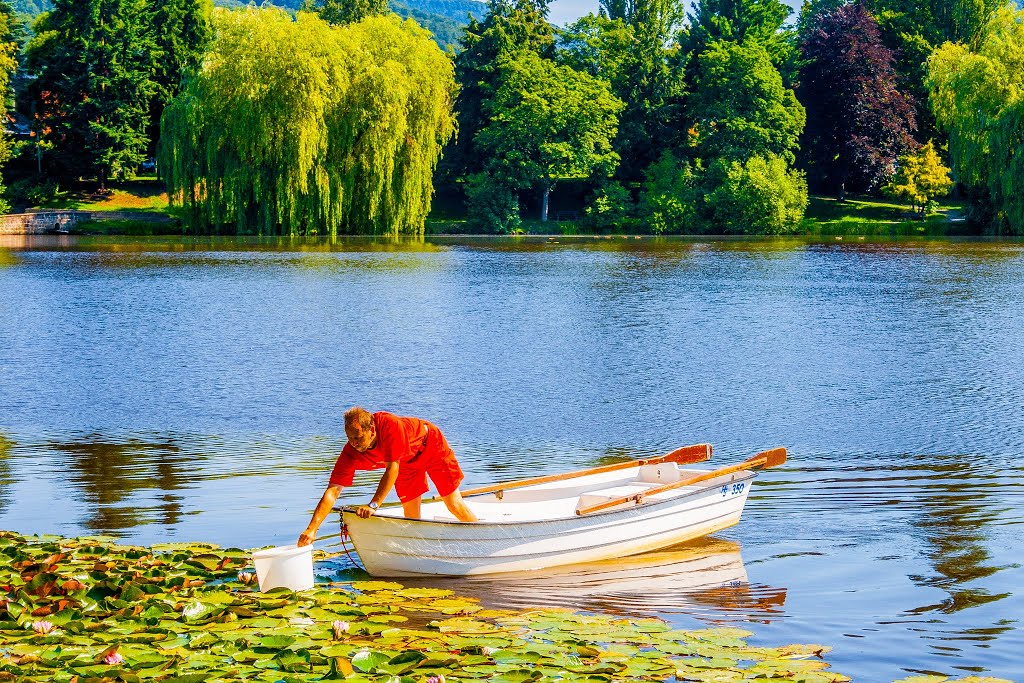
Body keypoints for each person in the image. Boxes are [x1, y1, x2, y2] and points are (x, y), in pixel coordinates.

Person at [297, 407, 477, 546]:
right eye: (349, 438)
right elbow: (332, 491)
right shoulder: (350, 452)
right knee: (411, 517)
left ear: (372, 431)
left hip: (431, 446)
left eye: (358, 438)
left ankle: (478, 537)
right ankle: (417, 554)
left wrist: (373, 505)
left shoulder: (390, 425)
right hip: (405, 463)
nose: (354, 443)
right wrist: (312, 529)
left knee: (454, 505)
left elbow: (392, 470)